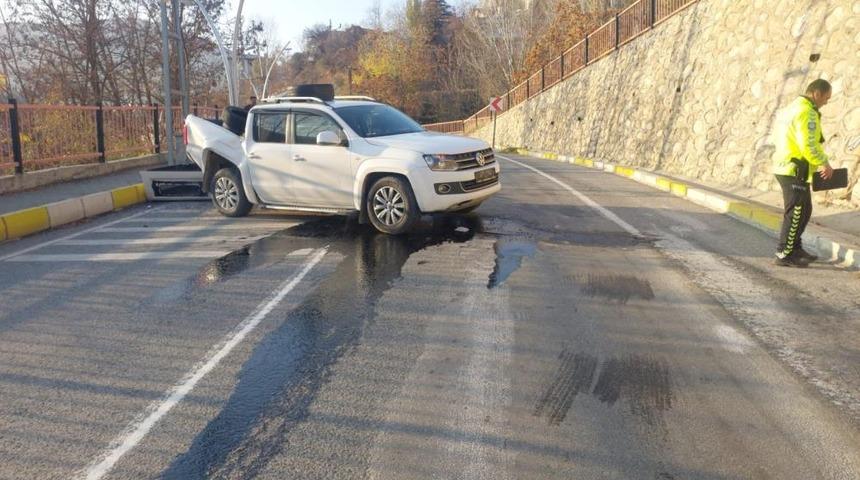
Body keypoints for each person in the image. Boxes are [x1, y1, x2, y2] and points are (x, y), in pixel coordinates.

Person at [771, 79, 834, 267]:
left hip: (787, 166)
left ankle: (795, 249)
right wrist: (823, 162)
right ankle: (784, 253)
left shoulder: (790, 109)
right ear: (816, 94)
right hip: (795, 168)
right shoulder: (807, 112)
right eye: (826, 98)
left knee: (805, 210)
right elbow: (808, 145)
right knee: (796, 213)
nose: (826, 102)